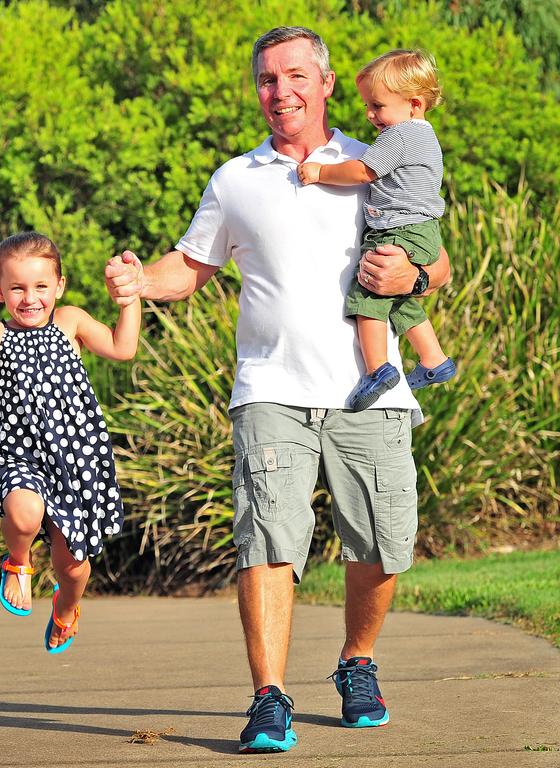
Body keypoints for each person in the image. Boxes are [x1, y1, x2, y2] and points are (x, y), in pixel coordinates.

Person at [104, 27, 451, 754]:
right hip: (270, 389)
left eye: (295, 75)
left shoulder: (375, 157)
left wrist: (413, 280)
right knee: (266, 539)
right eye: (267, 79)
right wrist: (142, 282)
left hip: (371, 389)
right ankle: (269, 696)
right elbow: (190, 267)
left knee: (384, 545)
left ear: (326, 84)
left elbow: (435, 263)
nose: (280, 91)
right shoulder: (237, 179)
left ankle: (357, 663)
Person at [0, 232, 139, 652]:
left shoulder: (71, 322)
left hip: (76, 461)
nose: (30, 298)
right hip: (17, 454)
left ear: (58, 286)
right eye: (17, 288)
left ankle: (65, 610)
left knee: (73, 568)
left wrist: (129, 299)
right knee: (24, 513)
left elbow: (122, 347)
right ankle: (18, 564)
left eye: (41, 287)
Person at [298, 49, 456, 410]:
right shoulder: (424, 135)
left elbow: (363, 171)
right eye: (368, 106)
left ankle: (377, 370)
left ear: (414, 104)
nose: (370, 115)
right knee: (397, 299)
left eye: (378, 106)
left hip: (399, 230)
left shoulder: (399, 136)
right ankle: (434, 359)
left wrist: (320, 172)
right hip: (422, 231)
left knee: (367, 293)